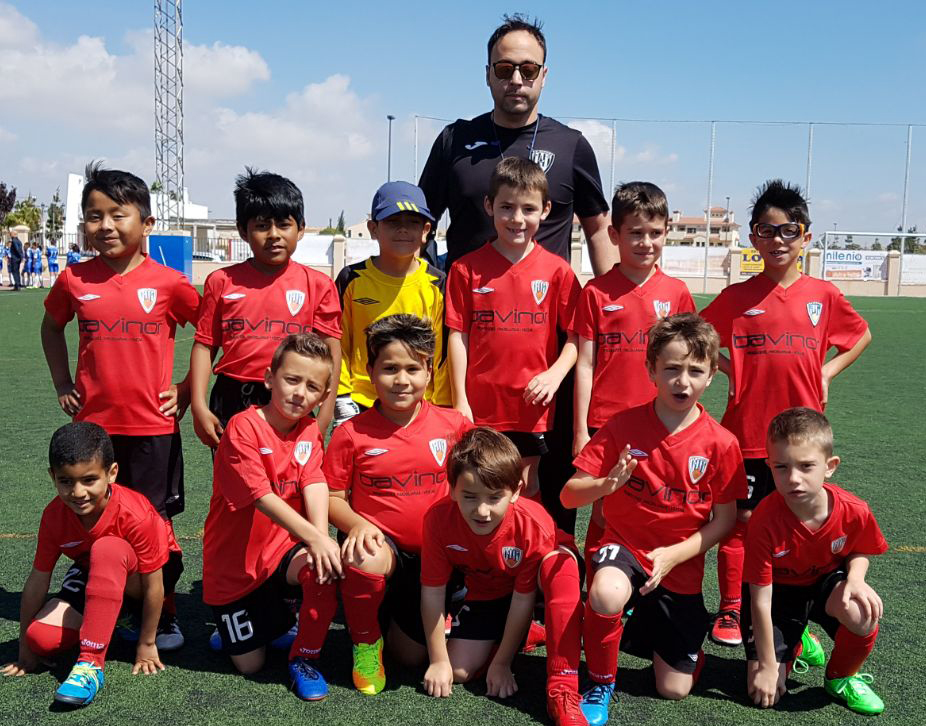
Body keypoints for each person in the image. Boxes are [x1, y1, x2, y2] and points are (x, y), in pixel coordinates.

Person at [701, 179, 872, 648]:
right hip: (747, 432)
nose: (777, 240)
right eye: (766, 230)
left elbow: (860, 336)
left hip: (802, 437)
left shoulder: (823, 295)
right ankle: (731, 609)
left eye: (788, 230)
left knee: (797, 524)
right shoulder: (738, 297)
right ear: (753, 238)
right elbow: (698, 335)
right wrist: (725, 367)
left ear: (805, 237)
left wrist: (828, 371)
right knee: (741, 522)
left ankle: (790, 616)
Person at [41, 162, 200, 648]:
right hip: (94, 430)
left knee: (153, 522)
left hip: (153, 427)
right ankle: (98, 588)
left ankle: (162, 610)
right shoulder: (73, 279)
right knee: (94, 511)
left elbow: (209, 335)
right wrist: (62, 381)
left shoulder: (169, 282)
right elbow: (52, 327)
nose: (106, 225)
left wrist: (188, 389)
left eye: (118, 214)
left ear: (146, 223)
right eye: (95, 216)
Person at [562, 313, 746, 725]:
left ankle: (681, 652)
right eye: (672, 369)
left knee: (673, 689)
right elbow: (569, 494)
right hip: (623, 548)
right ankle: (600, 682)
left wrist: (674, 555)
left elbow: (724, 521)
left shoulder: (721, 444)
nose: (683, 381)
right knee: (606, 592)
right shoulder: (623, 426)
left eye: (695, 371)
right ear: (651, 370)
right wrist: (607, 484)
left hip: (678, 566)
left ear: (712, 376)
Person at [325, 314, 472, 695]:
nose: (402, 380)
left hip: (437, 557)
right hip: (385, 549)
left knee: (409, 657)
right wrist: (358, 524)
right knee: (363, 557)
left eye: (412, 369)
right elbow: (332, 498)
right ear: (370, 372)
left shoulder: (454, 425)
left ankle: (394, 615)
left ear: (430, 372)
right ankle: (365, 644)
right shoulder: (350, 433)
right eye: (390, 369)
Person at [0, 422, 181, 707]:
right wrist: (24, 646)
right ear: (52, 476)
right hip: (96, 568)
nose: (78, 492)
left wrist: (146, 643)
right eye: (66, 481)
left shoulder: (135, 514)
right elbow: (38, 579)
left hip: (151, 574)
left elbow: (154, 582)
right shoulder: (54, 515)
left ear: (112, 473)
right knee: (41, 638)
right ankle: (114, 615)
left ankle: (91, 663)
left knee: (108, 548)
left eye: (89, 480)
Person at [202, 333, 342, 700]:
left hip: (281, 552)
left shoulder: (310, 429)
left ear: (323, 397)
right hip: (235, 568)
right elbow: (261, 497)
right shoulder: (242, 427)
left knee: (322, 569)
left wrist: (321, 539)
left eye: (312, 387)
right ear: (269, 378)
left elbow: (314, 480)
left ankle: (304, 659)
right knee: (251, 665)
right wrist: (315, 537)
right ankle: (244, 628)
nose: (300, 393)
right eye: (292, 379)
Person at [418, 13, 610, 274]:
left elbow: (598, 230)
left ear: (544, 76)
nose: (517, 80)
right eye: (505, 69)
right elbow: (420, 224)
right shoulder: (455, 140)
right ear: (488, 74)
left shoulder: (571, 146)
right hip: (466, 298)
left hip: (546, 299)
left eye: (529, 70)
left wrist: (613, 296)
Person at [421, 427, 587, 726]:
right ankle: (530, 634)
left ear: (516, 492)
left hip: (538, 588)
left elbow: (524, 598)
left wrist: (502, 663)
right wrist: (438, 660)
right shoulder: (438, 519)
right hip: (492, 590)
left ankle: (563, 687)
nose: (482, 510)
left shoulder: (532, 524)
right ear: (452, 488)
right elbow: (432, 591)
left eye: (494, 497)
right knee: (458, 671)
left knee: (557, 567)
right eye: (469, 496)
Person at [571, 182, 696, 569]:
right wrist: (580, 430)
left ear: (666, 232)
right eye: (635, 233)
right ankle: (596, 585)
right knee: (604, 508)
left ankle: (649, 582)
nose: (646, 242)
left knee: (653, 505)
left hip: (661, 422)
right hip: (608, 422)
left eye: (655, 233)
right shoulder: (596, 293)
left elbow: (689, 364)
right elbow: (585, 363)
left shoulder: (677, 293)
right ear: (615, 235)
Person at [445, 157, 579, 502]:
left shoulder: (558, 271)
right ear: (489, 206)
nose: (517, 219)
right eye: (506, 207)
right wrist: (460, 399)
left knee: (526, 487)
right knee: (478, 485)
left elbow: (576, 337)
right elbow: (458, 336)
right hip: (481, 405)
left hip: (530, 406)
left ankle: (524, 540)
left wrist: (554, 375)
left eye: (528, 209)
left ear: (545, 210)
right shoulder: (465, 269)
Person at [743, 408, 887, 715]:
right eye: (781, 467)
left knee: (862, 611)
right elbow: (761, 600)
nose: (793, 478)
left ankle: (840, 678)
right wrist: (767, 666)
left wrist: (856, 579)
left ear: (830, 466)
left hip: (824, 584)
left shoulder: (854, 510)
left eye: (806, 466)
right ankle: (796, 640)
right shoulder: (763, 521)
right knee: (763, 692)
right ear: (769, 466)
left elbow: (860, 549)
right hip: (778, 596)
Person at [190, 168, 342, 448]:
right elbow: (204, 344)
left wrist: (325, 413)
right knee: (235, 474)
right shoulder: (220, 281)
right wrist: (198, 405)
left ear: (301, 228)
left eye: (284, 225)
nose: (274, 235)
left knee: (291, 473)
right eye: (262, 226)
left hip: (295, 395)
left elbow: (331, 351)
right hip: (232, 396)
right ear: (243, 231)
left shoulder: (319, 285)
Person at [333, 182, 450, 427]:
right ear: (373, 228)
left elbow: (441, 354)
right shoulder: (351, 279)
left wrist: (440, 404)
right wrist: (341, 394)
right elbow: (338, 343)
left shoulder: (438, 283)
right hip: (362, 401)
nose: (403, 230)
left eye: (413, 222)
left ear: (426, 230)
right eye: (393, 221)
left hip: (419, 403)